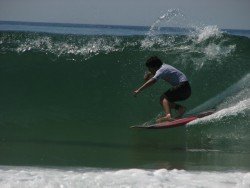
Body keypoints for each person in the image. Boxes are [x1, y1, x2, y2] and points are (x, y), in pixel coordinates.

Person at [133, 56, 191, 122]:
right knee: (164, 102)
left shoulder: (161, 70)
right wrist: (150, 74)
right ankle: (180, 109)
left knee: (164, 98)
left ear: (154, 67)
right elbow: (156, 72)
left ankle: (168, 116)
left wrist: (139, 90)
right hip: (186, 90)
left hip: (182, 86)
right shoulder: (164, 66)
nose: (149, 70)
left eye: (149, 68)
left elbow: (153, 81)